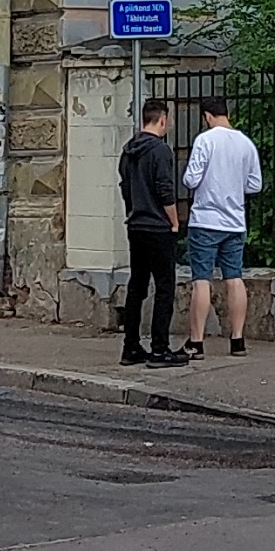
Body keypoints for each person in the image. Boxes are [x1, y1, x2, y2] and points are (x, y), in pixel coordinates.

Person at [181, 94, 263, 357]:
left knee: (201, 280)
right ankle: (237, 340)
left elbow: (191, 180)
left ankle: (197, 341)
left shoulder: (205, 140)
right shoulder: (245, 143)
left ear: (207, 116)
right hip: (235, 221)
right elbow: (255, 184)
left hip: (205, 220)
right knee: (234, 278)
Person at [117, 95, 188, 368]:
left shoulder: (128, 150)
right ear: (162, 119)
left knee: (137, 285)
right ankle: (160, 349)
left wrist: (134, 211)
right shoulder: (160, 151)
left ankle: (131, 346)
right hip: (158, 226)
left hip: (135, 225)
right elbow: (165, 191)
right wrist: (174, 221)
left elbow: (125, 186)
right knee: (164, 287)